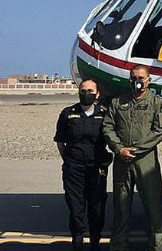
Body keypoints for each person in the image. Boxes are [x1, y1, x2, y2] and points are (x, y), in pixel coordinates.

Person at [102, 64, 162, 251]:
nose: (137, 81)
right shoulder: (118, 102)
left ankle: (155, 246)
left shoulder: (157, 102)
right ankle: (119, 245)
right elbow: (108, 127)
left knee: (152, 206)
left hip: (145, 160)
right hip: (122, 159)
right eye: (133, 78)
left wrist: (135, 150)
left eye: (140, 78)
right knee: (121, 206)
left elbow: (159, 130)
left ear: (148, 80)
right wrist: (119, 148)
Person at [54, 79, 112, 251]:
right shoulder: (68, 113)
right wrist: (69, 161)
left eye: (90, 91)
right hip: (74, 169)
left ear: (97, 94)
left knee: (97, 207)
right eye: (83, 90)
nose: (86, 94)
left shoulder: (104, 114)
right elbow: (60, 141)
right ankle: (77, 242)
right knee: (76, 207)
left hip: (96, 167)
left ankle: (95, 241)